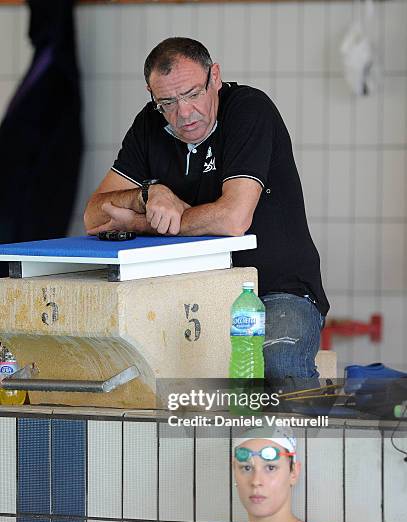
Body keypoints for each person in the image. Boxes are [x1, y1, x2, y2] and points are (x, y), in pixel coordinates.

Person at [84, 37, 329, 384]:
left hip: (276, 290)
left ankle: (287, 440)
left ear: (214, 77)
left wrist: (146, 223)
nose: (183, 113)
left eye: (193, 94)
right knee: (143, 373)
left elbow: (233, 219)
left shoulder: (248, 109)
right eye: (167, 101)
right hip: (195, 296)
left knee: (279, 366)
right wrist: (148, 194)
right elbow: (94, 215)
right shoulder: (149, 125)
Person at [200, 426, 335, 522]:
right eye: (246, 468)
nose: (256, 481)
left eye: (271, 468)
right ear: (234, 472)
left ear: (293, 473)